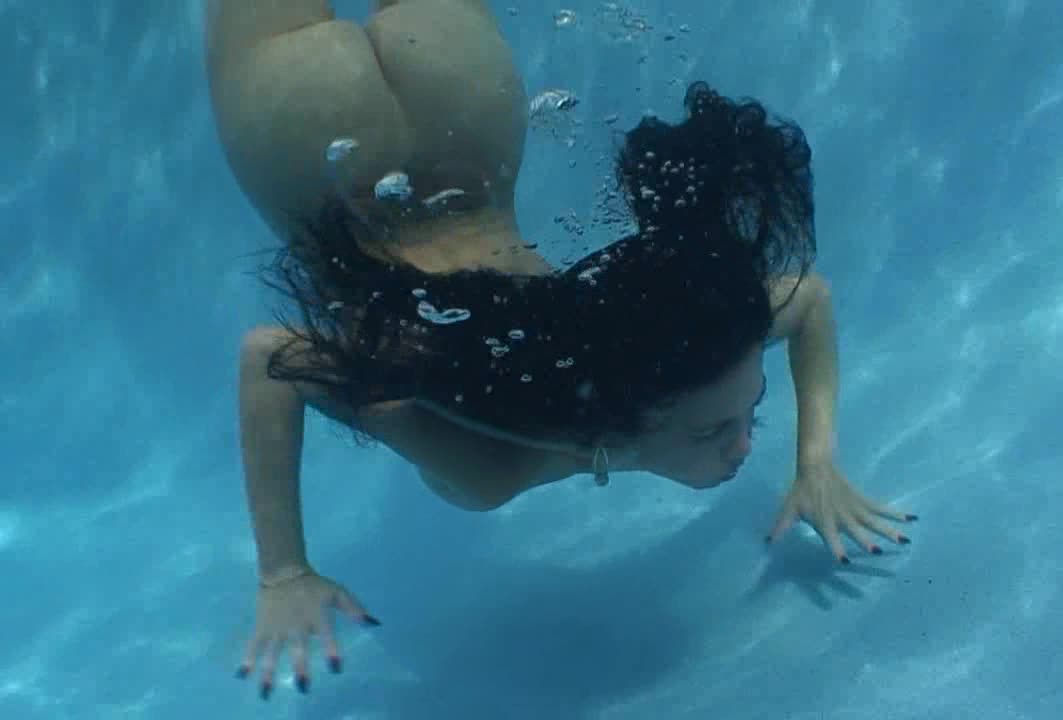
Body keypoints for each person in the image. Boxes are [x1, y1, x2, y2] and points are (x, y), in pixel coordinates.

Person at [207, 0, 917, 700]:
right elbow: (271, 357)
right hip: (315, 157)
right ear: (621, 421)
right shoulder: (493, 466)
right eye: (711, 432)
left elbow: (808, 300)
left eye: (751, 413)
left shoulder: (663, 352)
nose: (743, 448)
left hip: (463, 117)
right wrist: (283, 573)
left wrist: (816, 462)